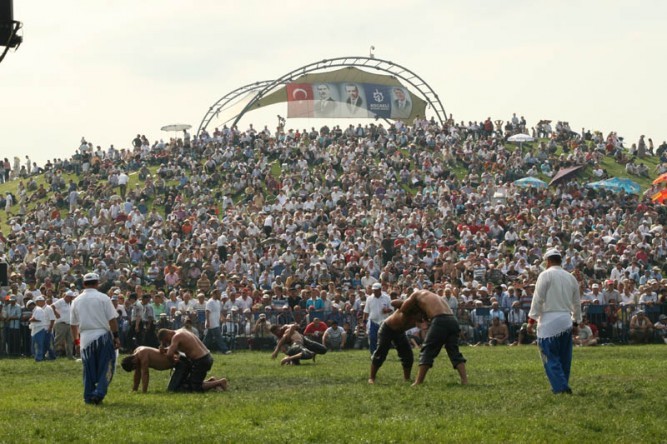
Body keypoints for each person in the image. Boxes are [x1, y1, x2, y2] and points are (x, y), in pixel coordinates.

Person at [527, 248, 582, 395]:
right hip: (566, 320)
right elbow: (577, 303)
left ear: (548, 261)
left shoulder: (545, 275)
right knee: (565, 357)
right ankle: (563, 383)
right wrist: (576, 322)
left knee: (550, 356)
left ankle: (561, 387)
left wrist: (531, 321)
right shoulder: (571, 278)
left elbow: (537, 299)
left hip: (548, 322)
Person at [70, 273, 121, 405]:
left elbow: (73, 325)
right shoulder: (103, 298)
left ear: (84, 284)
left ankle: (88, 396)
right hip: (103, 335)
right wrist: (116, 336)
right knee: (106, 366)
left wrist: (76, 341)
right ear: (97, 283)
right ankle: (99, 392)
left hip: (85, 338)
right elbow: (112, 320)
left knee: (88, 369)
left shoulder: (76, 300)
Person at [399, 289, 468, 386]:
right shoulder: (435, 296)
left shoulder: (415, 295)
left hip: (440, 320)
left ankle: (418, 382)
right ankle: (464, 380)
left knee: (427, 349)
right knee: (454, 351)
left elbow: (403, 309)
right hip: (453, 320)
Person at [157, 328, 228, 392]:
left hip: (201, 361)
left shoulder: (176, 337)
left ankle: (220, 382)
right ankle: (212, 381)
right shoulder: (182, 330)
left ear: (168, 334)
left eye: (166, 340)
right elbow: (180, 346)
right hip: (207, 356)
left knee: (196, 388)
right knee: (192, 382)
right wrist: (166, 349)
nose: (168, 343)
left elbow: (170, 354)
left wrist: (173, 361)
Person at [368, 299, 421, 384]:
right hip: (387, 328)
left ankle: (406, 378)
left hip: (400, 331)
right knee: (380, 353)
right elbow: (393, 302)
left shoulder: (425, 314)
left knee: (407, 355)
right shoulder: (409, 307)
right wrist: (407, 303)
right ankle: (371, 378)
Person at [363, 283, 392, 355]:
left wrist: (387, 310)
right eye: (373, 290)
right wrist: (364, 322)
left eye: (376, 290)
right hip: (373, 322)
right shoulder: (369, 299)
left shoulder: (387, 297)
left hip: (384, 322)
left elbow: (391, 308)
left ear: (380, 290)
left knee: (383, 340)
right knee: (372, 338)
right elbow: (366, 311)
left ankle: (382, 353)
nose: (374, 292)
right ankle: (373, 354)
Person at [53, 290, 75, 359]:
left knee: (70, 341)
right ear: (67, 296)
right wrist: (56, 313)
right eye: (71, 297)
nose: (72, 299)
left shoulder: (70, 303)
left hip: (69, 324)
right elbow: (52, 306)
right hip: (61, 324)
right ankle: (50, 354)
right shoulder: (61, 301)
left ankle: (70, 356)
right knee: (58, 340)